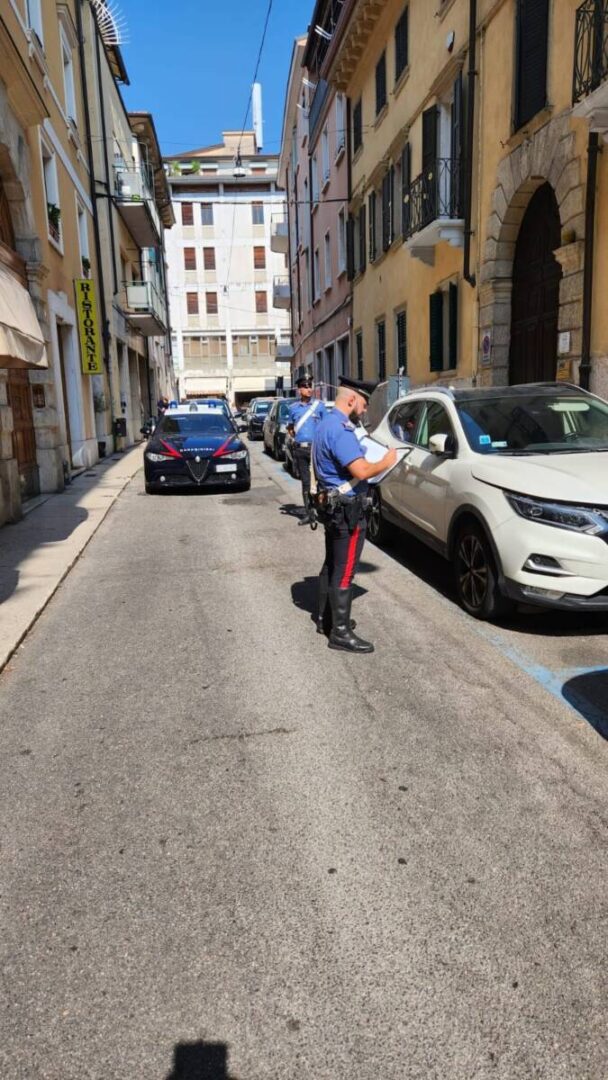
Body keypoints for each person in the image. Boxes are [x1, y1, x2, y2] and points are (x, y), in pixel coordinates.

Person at [312, 376, 397, 654]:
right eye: (363, 404)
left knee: (331, 564)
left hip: (332, 507)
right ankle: (340, 632)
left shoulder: (325, 423)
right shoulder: (341, 430)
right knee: (345, 570)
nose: (365, 409)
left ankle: (326, 620)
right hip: (347, 510)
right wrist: (387, 461)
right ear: (351, 400)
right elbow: (361, 470)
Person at [287, 376, 327, 521]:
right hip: (300, 449)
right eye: (305, 386)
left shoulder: (319, 406)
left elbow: (326, 427)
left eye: (310, 386)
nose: (309, 389)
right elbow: (290, 428)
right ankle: (309, 514)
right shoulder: (293, 408)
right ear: (299, 390)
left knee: (320, 480)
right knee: (305, 482)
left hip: (315, 449)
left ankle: (322, 511)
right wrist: (296, 438)